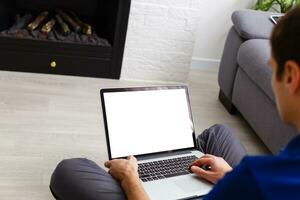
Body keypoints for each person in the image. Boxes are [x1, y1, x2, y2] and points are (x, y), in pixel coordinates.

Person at [50, 6, 300, 200]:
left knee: (69, 171)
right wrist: (230, 178)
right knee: (218, 134)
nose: (271, 78)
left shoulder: (255, 178)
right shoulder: (262, 175)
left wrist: (131, 180)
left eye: (272, 67)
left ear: (291, 77)